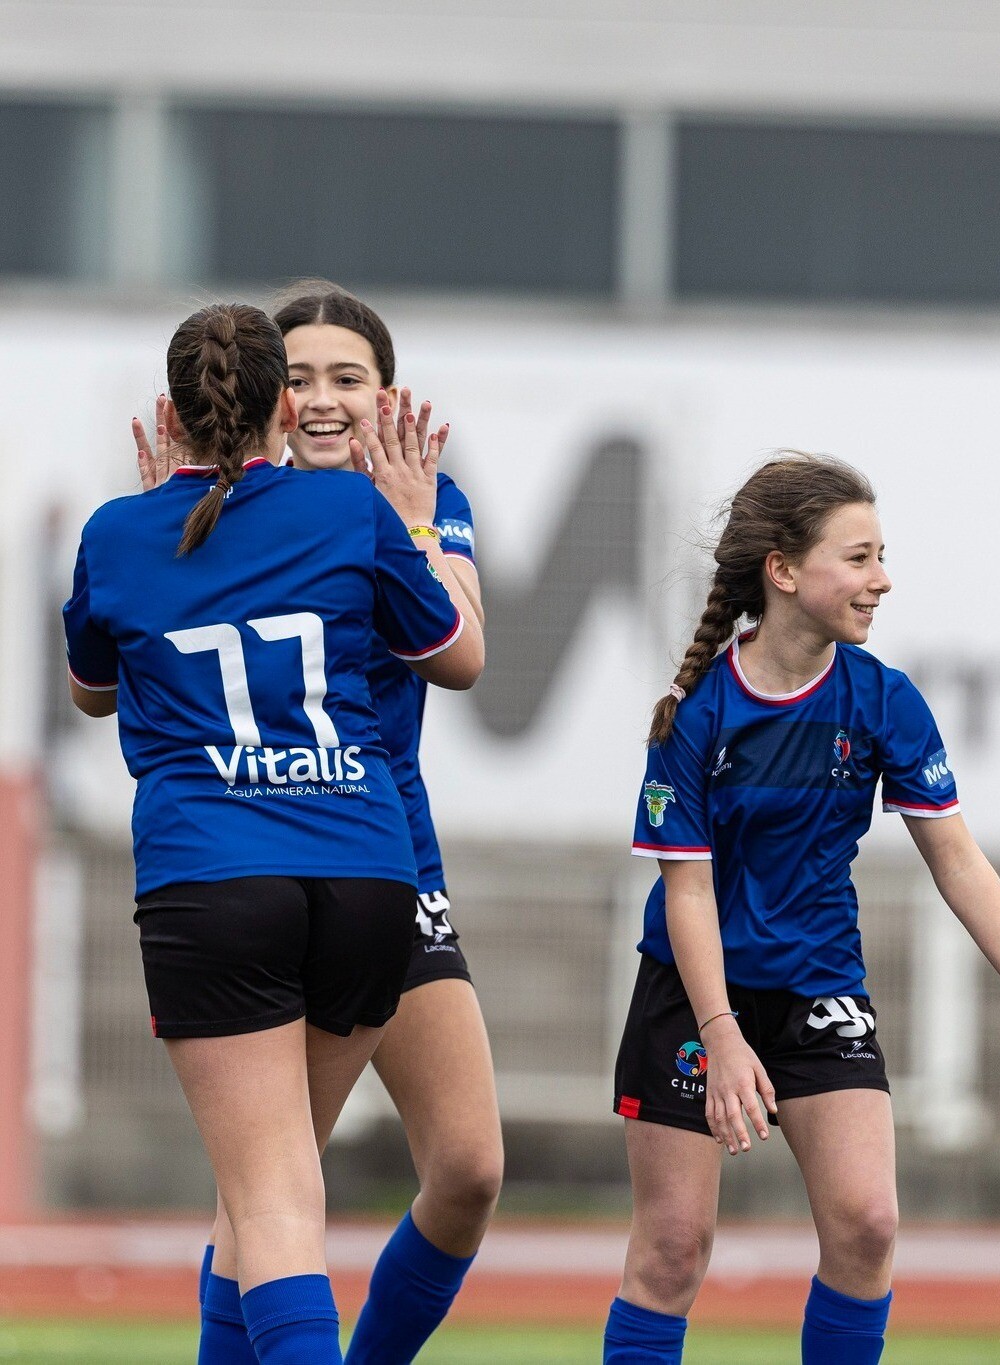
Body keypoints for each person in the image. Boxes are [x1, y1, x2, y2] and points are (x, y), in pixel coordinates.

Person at [604, 452, 1000, 1365]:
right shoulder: (696, 714)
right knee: (672, 1249)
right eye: (860, 557)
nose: (882, 579)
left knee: (868, 1226)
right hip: (694, 995)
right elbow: (687, 889)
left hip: (820, 987)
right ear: (784, 571)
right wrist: (722, 1034)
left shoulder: (882, 699)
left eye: (882, 556)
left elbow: (957, 857)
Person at [69, 301, 484, 1365]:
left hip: (221, 875)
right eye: (305, 377)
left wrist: (159, 522)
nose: (325, 398)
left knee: (271, 1200)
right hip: (364, 869)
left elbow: (91, 688)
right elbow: (452, 648)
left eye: (351, 376)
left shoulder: (120, 532)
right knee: (272, 1193)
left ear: (173, 414)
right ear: (280, 408)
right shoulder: (349, 514)